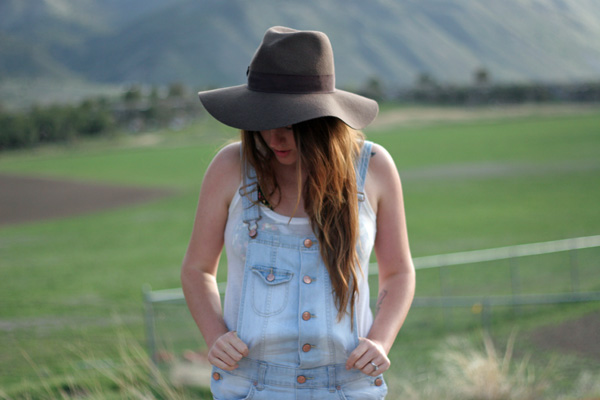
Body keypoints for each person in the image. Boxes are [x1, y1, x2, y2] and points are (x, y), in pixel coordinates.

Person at [181, 26, 415, 399]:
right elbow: (196, 269)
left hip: (348, 387)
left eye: (290, 124)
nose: (274, 138)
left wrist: (381, 342)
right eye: (263, 121)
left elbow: (399, 272)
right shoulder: (229, 168)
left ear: (323, 121)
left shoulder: (374, 168)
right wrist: (215, 336)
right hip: (249, 388)